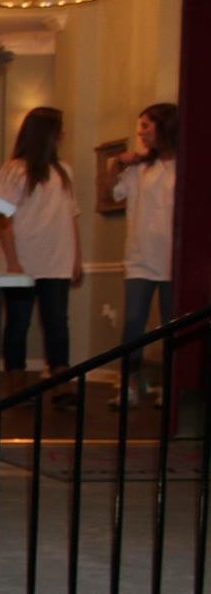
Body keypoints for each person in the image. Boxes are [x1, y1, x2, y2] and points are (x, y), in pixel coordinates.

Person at [0, 107, 81, 394]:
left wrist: (77, 258)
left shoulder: (63, 171)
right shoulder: (14, 169)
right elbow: (2, 217)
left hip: (56, 259)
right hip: (21, 260)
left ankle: (61, 382)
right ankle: (15, 383)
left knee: (57, 322)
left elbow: (72, 216)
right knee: (18, 322)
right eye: (59, 131)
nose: (63, 136)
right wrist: (14, 262)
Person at [112, 101, 179, 409]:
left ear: (164, 127)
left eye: (146, 125)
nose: (140, 133)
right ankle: (128, 386)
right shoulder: (140, 169)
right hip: (139, 257)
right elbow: (112, 193)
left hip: (173, 260)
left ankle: (169, 386)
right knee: (134, 322)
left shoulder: (183, 166)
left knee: (172, 325)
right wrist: (117, 164)